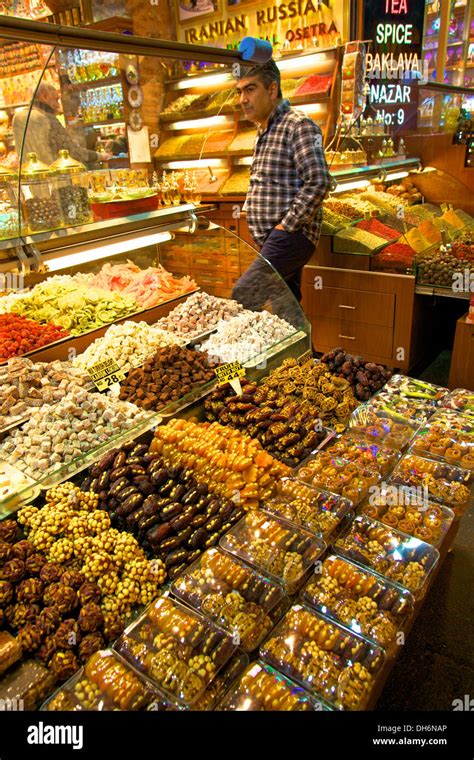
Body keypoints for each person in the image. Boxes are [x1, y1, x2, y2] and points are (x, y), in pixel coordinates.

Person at [232, 58, 332, 315]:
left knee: (244, 293)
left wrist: (286, 227)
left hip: (291, 236)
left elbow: (319, 180)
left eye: (250, 89)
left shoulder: (297, 124)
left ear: (272, 89)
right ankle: (300, 355)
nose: (242, 99)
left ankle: (239, 353)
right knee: (285, 306)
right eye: (239, 91)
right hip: (272, 238)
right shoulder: (264, 129)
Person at [12, 82, 112, 167]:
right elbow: (72, 151)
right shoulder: (46, 118)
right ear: (44, 96)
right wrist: (100, 156)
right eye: (56, 99)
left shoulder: (19, 117)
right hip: (53, 180)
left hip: (29, 181)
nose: (58, 105)